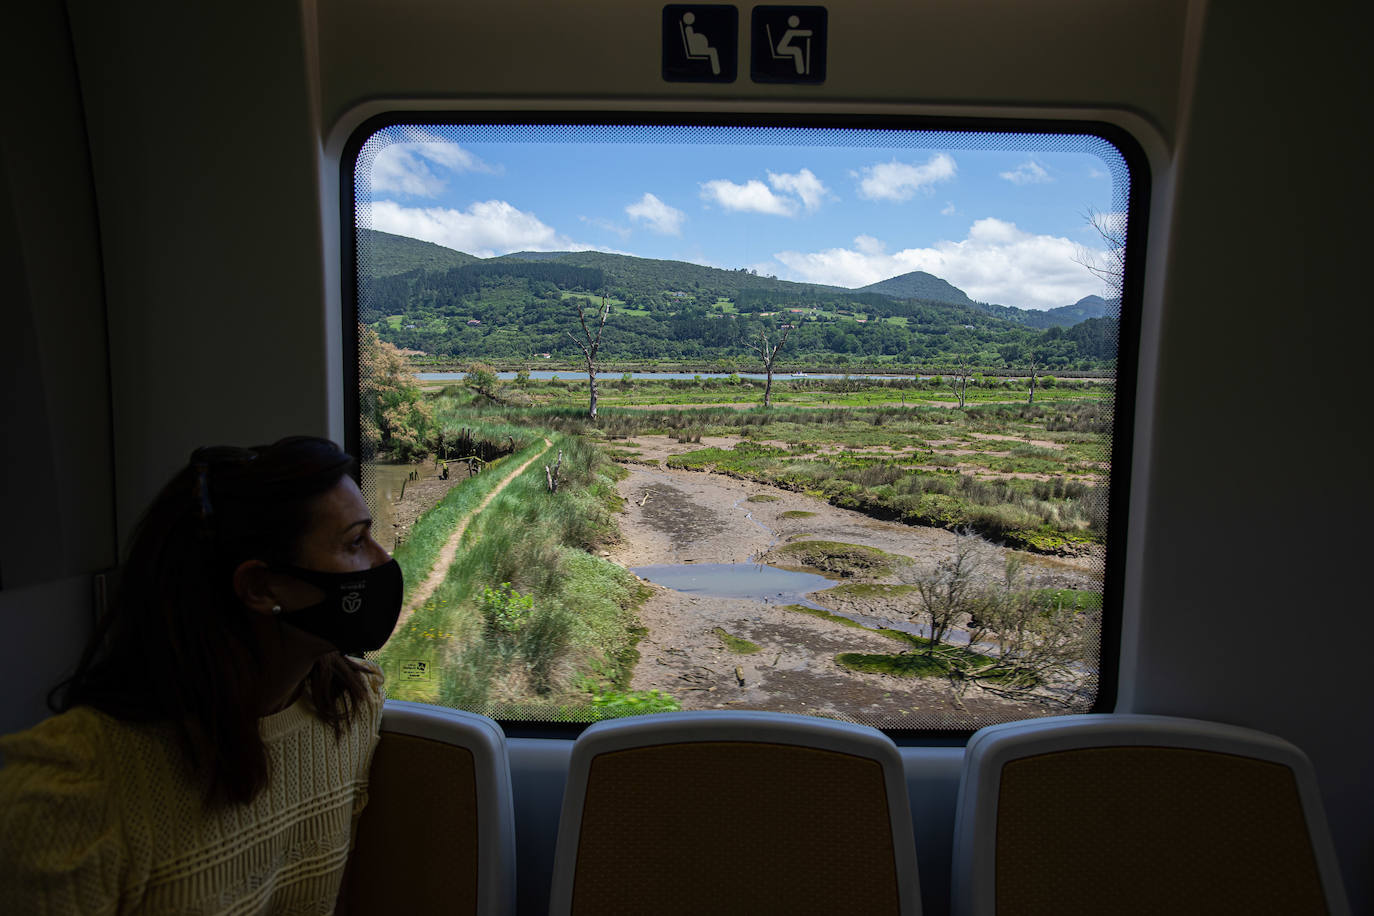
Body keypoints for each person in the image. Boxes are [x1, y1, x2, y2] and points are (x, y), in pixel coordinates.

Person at [0, 436, 403, 913]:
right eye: (355, 542)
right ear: (258, 586)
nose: (382, 560)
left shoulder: (347, 709)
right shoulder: (67, 801)